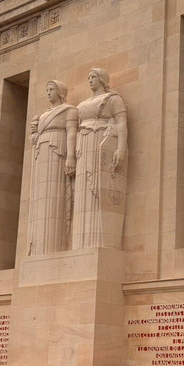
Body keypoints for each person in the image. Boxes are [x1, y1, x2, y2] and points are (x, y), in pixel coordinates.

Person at [72, 68, 128, 249]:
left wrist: (120, 148)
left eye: (93, 77)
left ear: (102, 80)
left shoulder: (112, 99)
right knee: (83, 192)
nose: (89, 80)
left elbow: (121, 123)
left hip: (100, 143)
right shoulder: (81, 105)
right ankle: (81, 243)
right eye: (88, 77)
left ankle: (98, 242)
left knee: (97, 189)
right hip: (84, 147)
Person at [27, 80, 78, 255]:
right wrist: (34, 134)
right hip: (42, 155)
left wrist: (71, 156)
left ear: (60, 92)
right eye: (47, 89)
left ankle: (55, 247)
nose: (48, 93)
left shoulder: (69, 110)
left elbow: (72, 133)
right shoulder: (43, 115)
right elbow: (34, 136)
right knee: (41, 200)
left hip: (58, 152)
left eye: (51, 89)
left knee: (57, 197)